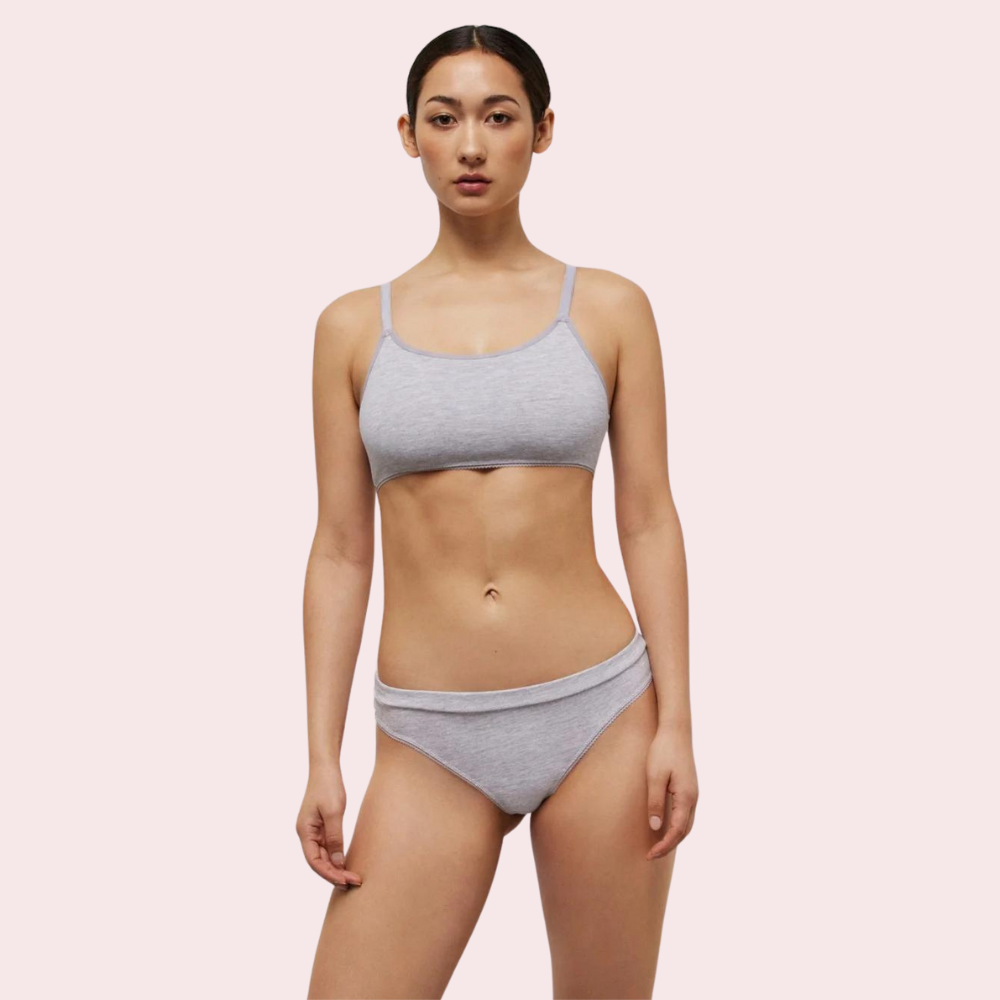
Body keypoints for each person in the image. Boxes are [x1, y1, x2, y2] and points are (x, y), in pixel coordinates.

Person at [299, 24, 698, 1000]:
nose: (470, 145)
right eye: (444, 119)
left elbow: (648, 518)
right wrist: (321, 755)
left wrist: (677, 723)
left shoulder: (609, 309)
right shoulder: (350, 328)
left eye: (498, 116)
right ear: (408, 136)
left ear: (542, 130)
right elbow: (341, 550)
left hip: (601, 713)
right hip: (427, 735)